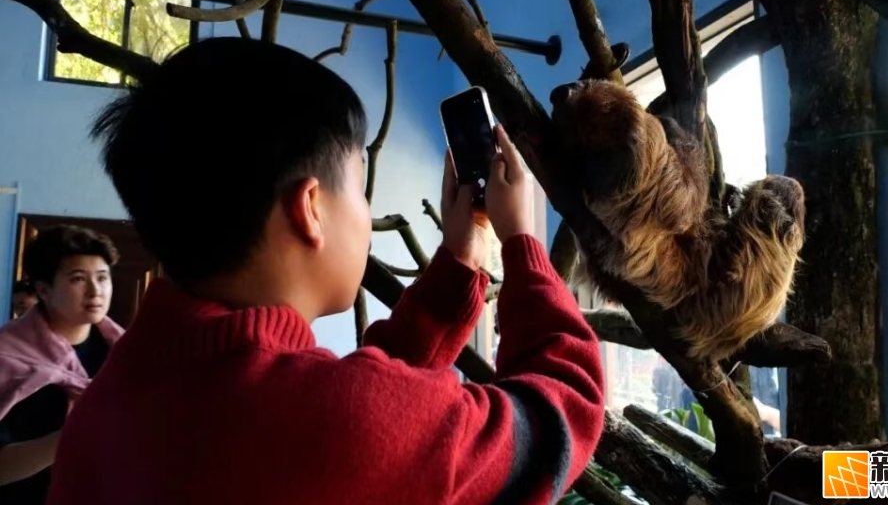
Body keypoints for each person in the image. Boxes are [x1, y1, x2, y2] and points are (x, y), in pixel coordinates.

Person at [47, 37, 605, 505]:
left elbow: (350, 405)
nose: (364, 211)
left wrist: (460, 264)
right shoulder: (337, 426)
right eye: (359, 185)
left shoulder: (107, 407)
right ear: (310, 207)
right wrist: (523, 244)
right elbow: (562, 414)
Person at [0, 224, 122, 505]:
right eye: (78, 279)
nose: (95, 291)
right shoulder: (7, 357)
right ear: (43, 290)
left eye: (103, 278)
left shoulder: (125, 353)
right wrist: (76, 431)